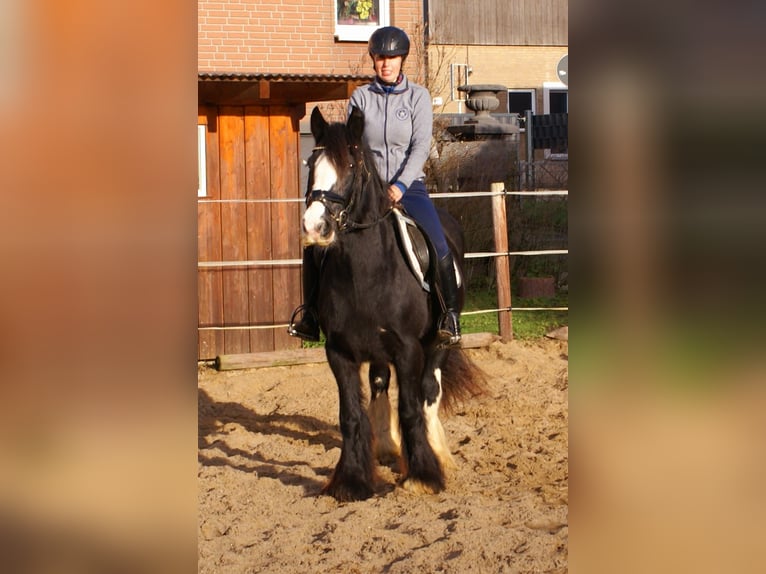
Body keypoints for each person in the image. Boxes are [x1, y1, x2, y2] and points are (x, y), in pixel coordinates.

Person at [288, 26, 461, 346]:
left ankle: (449, 314)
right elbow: (351, 147)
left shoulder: (418, 97)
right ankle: (311, 314)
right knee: (316, 243)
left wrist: (399, 185)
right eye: (380, 57)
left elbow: (421, 146)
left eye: (392, 58)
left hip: (409, 187)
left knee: (437, 241)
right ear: (373, 60)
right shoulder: (360, 98)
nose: (386, 63)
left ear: (402, 60)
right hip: (366, 188)